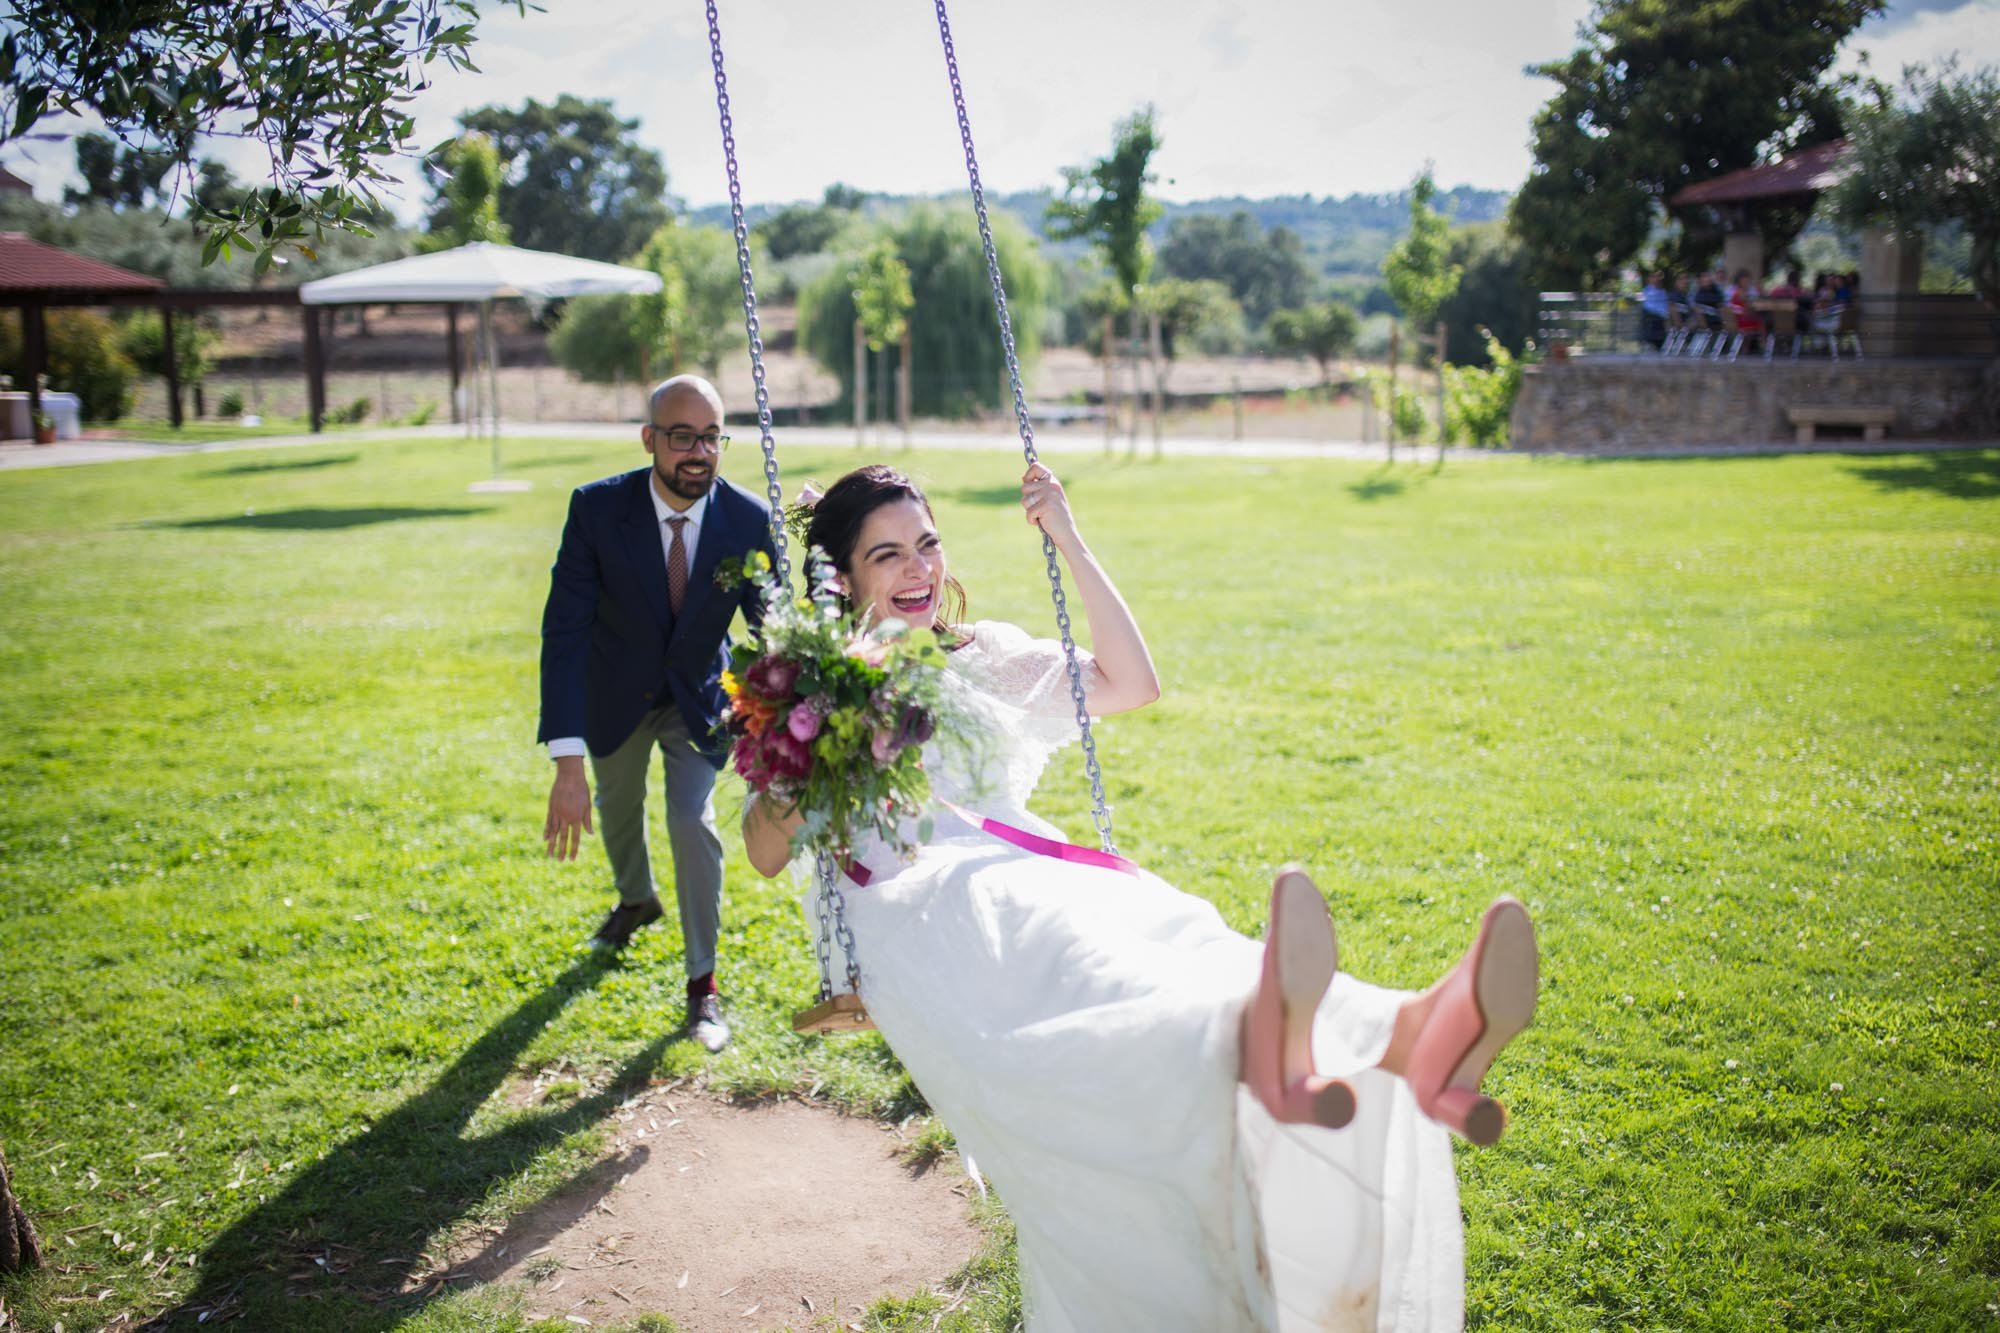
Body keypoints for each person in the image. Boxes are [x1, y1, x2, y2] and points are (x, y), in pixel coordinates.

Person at [744, 464, 1539, 1331]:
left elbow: (1132, 682)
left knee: (1175, 933)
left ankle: (1406, 1035)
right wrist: (801, 745)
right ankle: (1278, 1047)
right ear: (845, 578)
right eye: (887, 554)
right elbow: (762, 851)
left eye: (928, 543)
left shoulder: (985, 658)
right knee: (1083, 957)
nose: (918, 570)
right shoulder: (815, 691)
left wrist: (1070, 543)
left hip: (1035, 871)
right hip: (920, 901)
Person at [538, 374, 777, 1053]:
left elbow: (774, 624)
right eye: (682, 437)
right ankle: (636, 899)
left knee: (689, 817)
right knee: (615, 807)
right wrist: (567, 760)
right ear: (649, 440)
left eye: (711, 437)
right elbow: (565, 632)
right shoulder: (595, 510)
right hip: (612, 692)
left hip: (699, 696)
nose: (698, 453)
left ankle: (703, 983)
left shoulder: (746, 519)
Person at [1638, 271, 1670, 350]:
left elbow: (1665, 305)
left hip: (1661, 318)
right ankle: (1649, 342)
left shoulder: (1663, 292)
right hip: (1652, 316)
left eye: (1658, 277)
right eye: (1654, 277)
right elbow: (1648, 306)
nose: (1657, 279)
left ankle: (1658, 344)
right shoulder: (1647, 291)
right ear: (1650, 279)